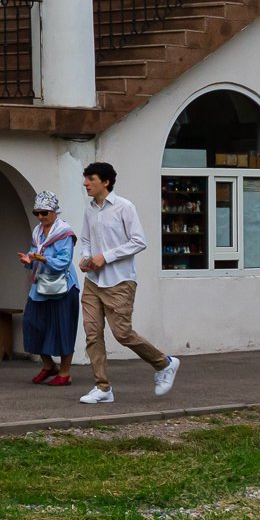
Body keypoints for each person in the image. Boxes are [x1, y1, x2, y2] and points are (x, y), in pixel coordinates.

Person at [72, 160, 181, 403]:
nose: (85, 183)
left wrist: (106, 257)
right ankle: (102, 388)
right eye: (85, 179)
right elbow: (86, 239)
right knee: (92, 334)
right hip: (93, 281)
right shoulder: (90, 209)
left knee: (122, 333)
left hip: (120, 281)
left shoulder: (124, 207)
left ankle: (165, 363)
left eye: (91, 179)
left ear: (106, 182)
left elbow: (138, 241)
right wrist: (86, 258)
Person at [18, 189, 79, 385]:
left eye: (44, 212)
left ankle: (65, 372)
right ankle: (48, 365)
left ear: (55, 212)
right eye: (37, 213)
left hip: (63, 286)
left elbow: (64, 261)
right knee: (32, 324)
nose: (40, 216)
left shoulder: (64, 233)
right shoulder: (37, 231)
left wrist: (43, 258)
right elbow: (33, 252)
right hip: (40, 285)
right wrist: (29, 260)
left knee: (63, 327)